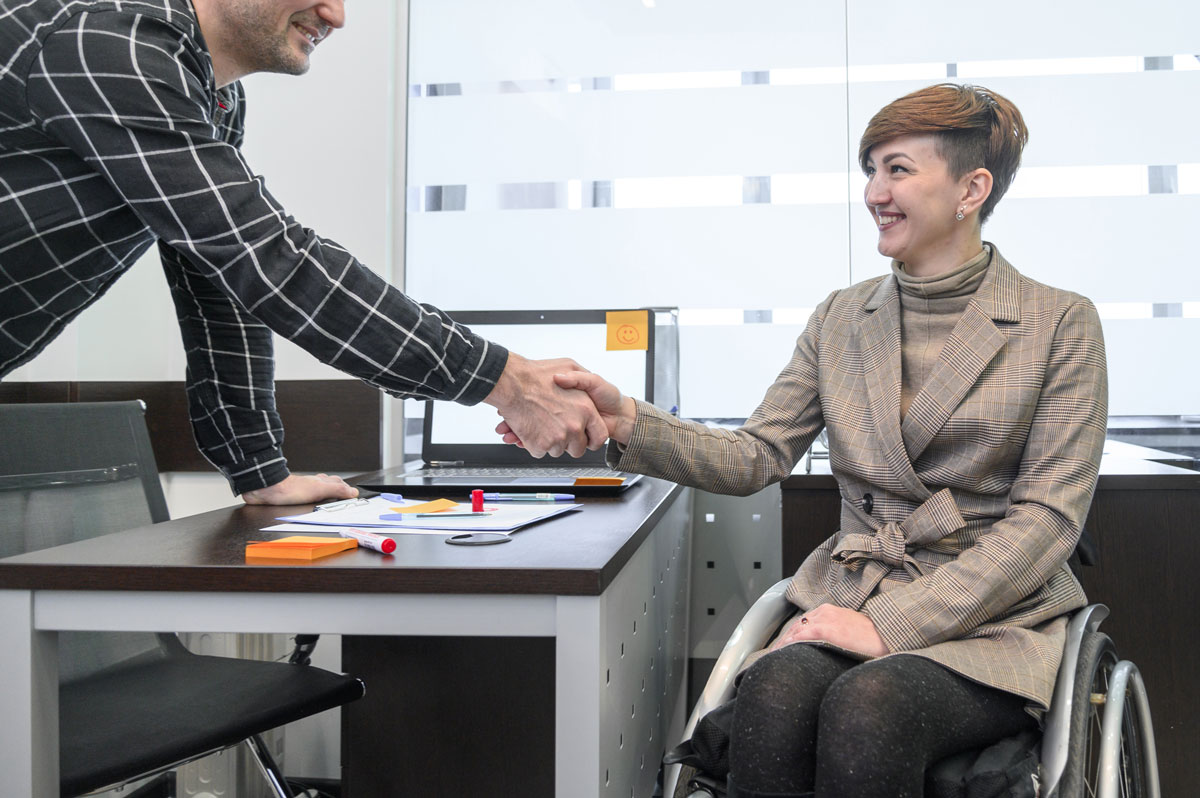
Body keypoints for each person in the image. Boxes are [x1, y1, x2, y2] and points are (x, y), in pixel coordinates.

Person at [539, 84, 1108, 797]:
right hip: (855, 594)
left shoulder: (1060, 323)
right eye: (869, 169)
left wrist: (894, 626)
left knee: (870, 704)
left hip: (992, 619)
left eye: (897, 169)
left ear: (972, 188)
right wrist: (626, 418)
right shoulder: (842, 317)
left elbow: (1049, 517)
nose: (874, 192)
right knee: (774, 693)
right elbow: (756, 455)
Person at [0, 0, 605, 506]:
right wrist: (507, 381)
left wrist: (259, 471)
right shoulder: (107, 45)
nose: (336, 14)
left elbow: (221, 282)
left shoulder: (214, 98)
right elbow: (272, 261)